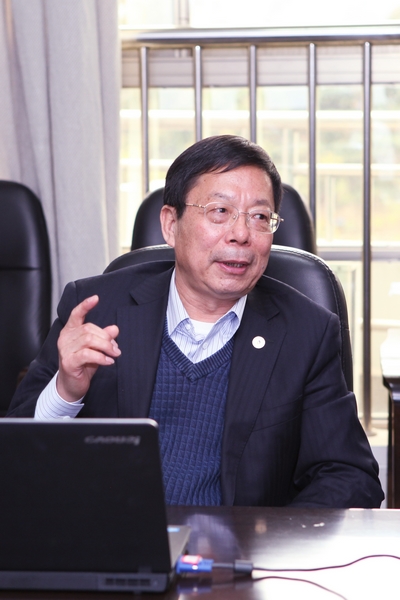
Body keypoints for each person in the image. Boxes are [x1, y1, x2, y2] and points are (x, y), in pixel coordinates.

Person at [8, 135, 384, 508]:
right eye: (220, 211)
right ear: (171, 224)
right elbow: (12, 462)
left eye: (259, 217)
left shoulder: (306, 332)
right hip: (114, 538)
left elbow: (350, 476)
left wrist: (272, 540)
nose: (241, 234)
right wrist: (65, 393)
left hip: (246, 544)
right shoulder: (97, 309)